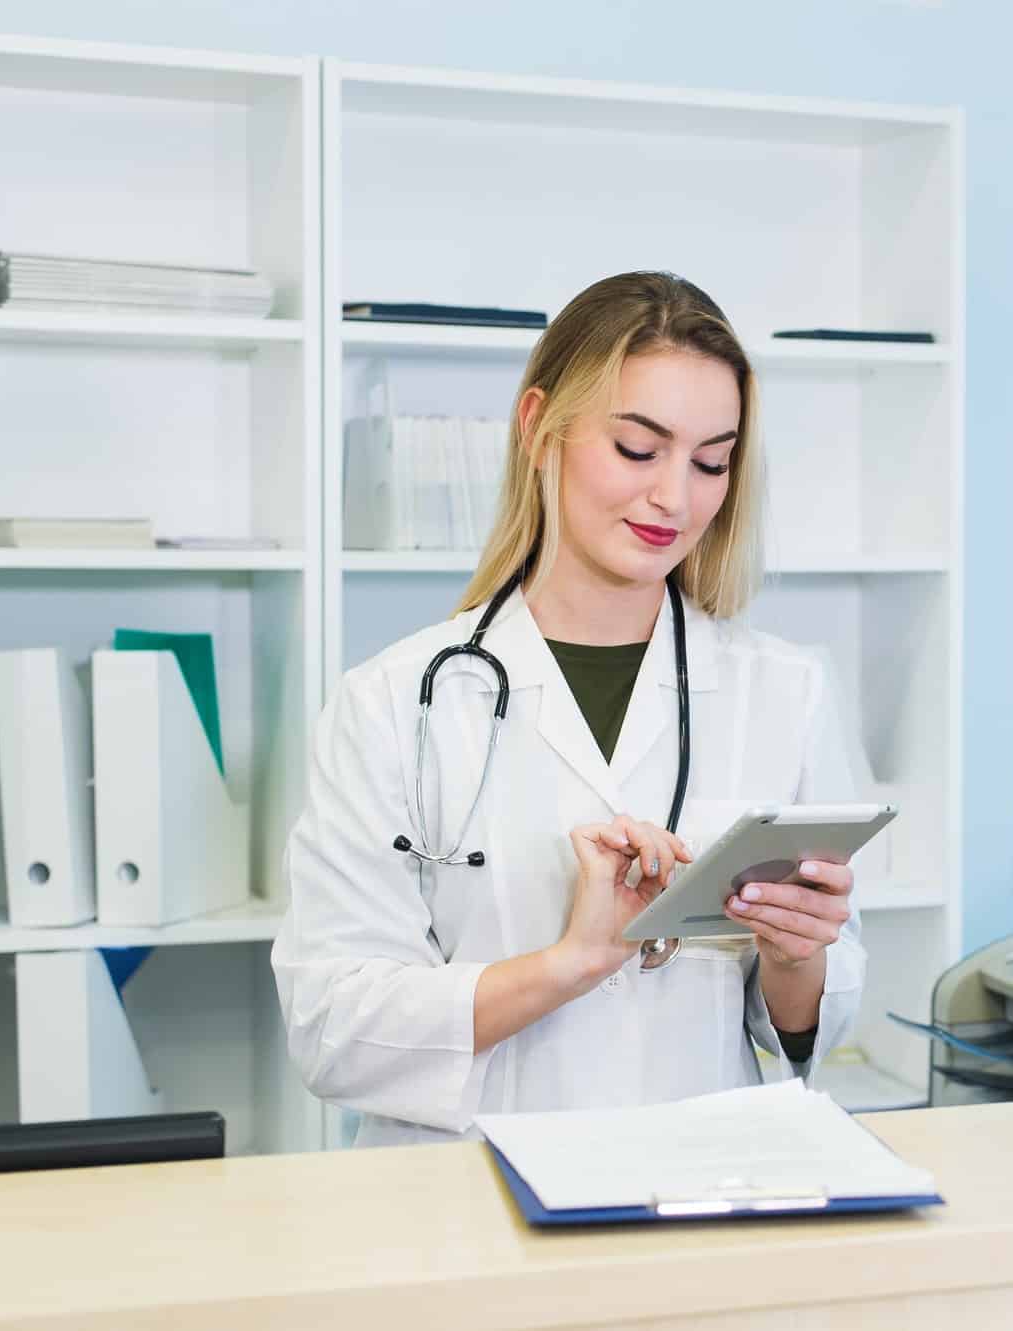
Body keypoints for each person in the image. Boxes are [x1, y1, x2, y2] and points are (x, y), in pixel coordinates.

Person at [272, 272, 866, 1147]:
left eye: (711, 460)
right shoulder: (396, 702)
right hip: (462, 1208)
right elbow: (332, 1030)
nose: (676, 496)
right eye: (638, 448)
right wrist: (569, 964)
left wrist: (796, 954)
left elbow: (815, 1026)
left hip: (697, 1187)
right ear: (538, 427)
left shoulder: (787, 692)